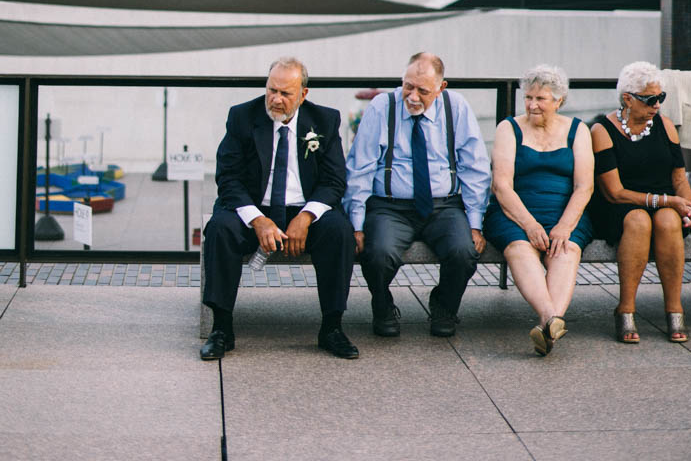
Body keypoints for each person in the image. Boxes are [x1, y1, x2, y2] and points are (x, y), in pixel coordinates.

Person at [201, 57, 358, 360]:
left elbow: (335, 181)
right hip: (252, 208)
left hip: (303, 210)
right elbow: (228, 178)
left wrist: (307, 216)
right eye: (271, 89)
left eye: (286, 93)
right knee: (220, 229)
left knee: (339, 232)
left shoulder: (325, 121)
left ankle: (332, 328)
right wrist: (257, 220)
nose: (275, 99)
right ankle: (221, 328)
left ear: (303, 94)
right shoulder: (241, 117)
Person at [345, 51, 490, 339]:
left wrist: (475, 222)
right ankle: (383, 305)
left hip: (444, 206)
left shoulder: (456, 107)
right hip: (389, 207)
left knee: (464, 253)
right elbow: (359, 167)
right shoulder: (381, 107)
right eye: (407, 86)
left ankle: (444, 306)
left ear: (441, 88)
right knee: (378, 254)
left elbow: (474, 167)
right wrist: (357, 224)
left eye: (422, 91)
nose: (412, 96)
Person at [483, 65, 593, 355]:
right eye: (528, 97)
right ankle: (550, 318)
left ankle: (547, 329)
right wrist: (530, 225)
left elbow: (584, 187)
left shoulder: (578, 130)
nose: (532, 105)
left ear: (558, 101)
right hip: (515, 212)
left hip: (564, 212)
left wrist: (565, 226)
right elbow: (502, 186)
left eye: (540, 99)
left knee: (565, 249)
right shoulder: (509, 128)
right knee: (519, 247)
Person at [591, 61, 691, 344]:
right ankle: (625, 309)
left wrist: (686, 207)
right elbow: (613, 192)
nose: (657, 105)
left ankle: (675, 309)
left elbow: (679, 179)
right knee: (638, 220)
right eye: (650, 99)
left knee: (668, 219)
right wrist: (667, 200)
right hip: (620, 205)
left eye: (661, 98)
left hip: (665, 203)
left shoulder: (664, 126)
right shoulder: (601, 130)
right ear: (627, 98)